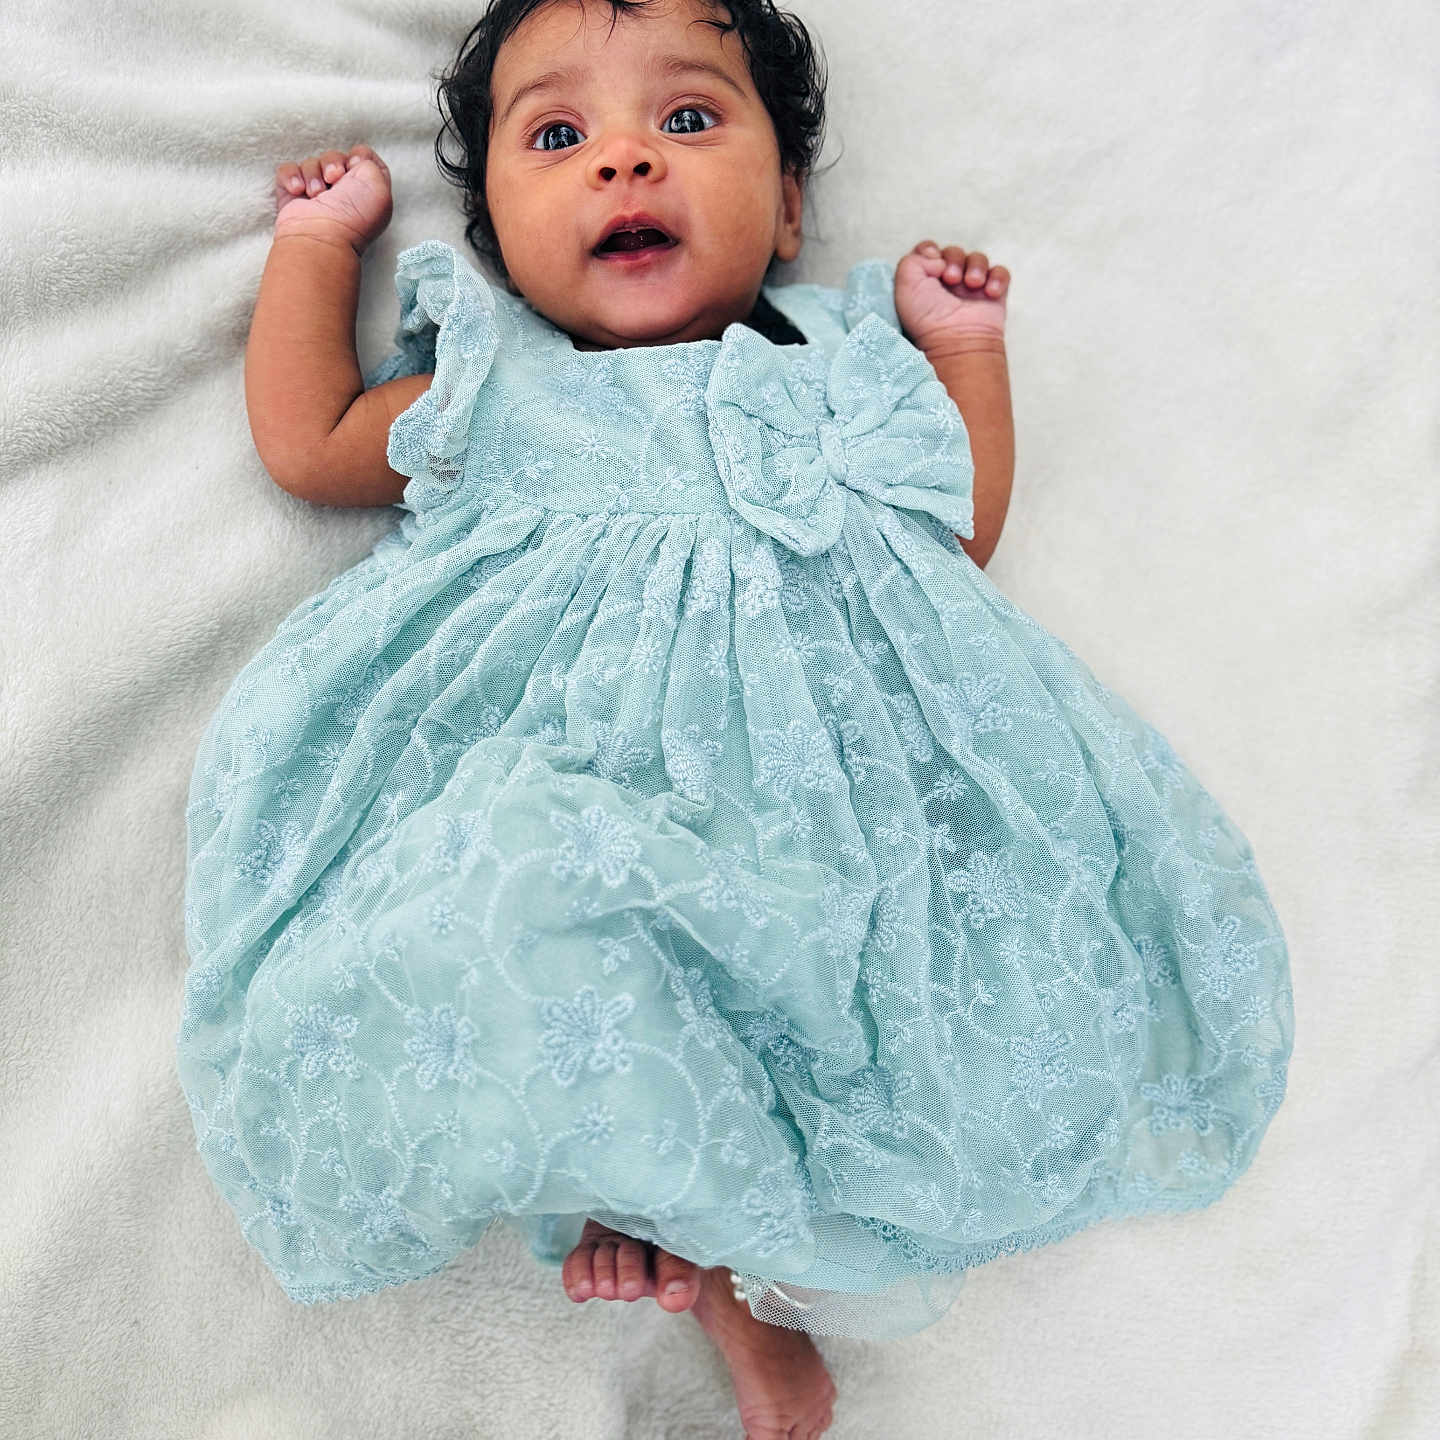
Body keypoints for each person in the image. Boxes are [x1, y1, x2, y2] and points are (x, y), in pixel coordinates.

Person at [177, 1, 1294, 1436]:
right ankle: (681, 1240)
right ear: (501, 233)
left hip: (797, 804)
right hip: (551, 783)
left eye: (688, 122)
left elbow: (951, 536)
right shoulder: (494, 386)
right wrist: (316, 249)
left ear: (787, 210)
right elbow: (306, 439)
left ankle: (719, 1253)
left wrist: (961, 351)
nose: (626, 164)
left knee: (847, 983)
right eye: (560, 137)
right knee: (516, 892)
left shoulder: (832, 369)